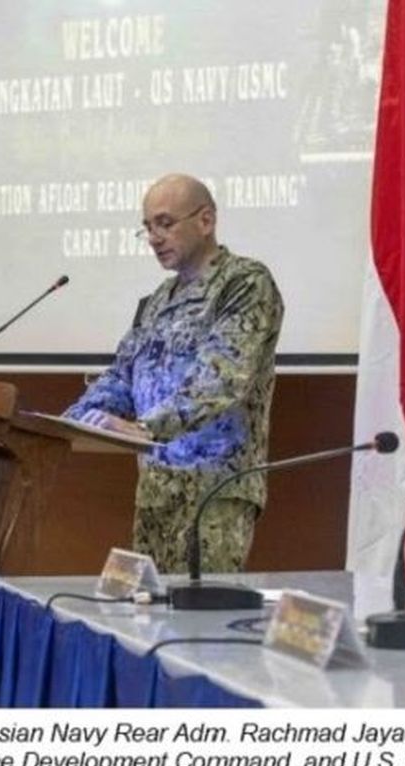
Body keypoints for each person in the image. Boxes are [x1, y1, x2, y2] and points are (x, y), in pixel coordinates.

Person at [65, 174, 284, 573]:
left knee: (199, 621)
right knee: (148, 621)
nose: (153, 237)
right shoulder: (158, 301)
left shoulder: (244, 284)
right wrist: (73, 421)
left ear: (205, 220)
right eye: (147, 227)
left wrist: (147, 428)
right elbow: (121, 376)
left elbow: (222, 378)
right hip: (155, 492)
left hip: (215, 492)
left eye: (165, 223)